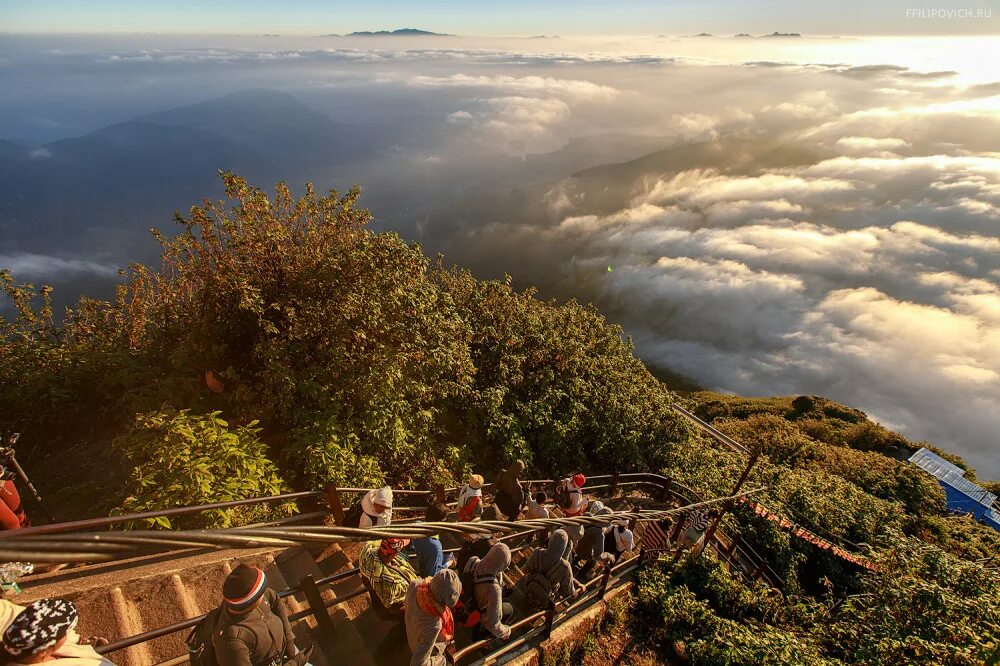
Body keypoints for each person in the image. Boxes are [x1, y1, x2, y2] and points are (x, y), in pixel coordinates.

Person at [214, 564, 309, 666]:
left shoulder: (254, 598)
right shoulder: (232, 643)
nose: (265, 593)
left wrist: (289, 639)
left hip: (286, 652)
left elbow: (276, 600)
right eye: (261, 592)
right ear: (250, 601)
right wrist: (295, 663)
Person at [0, 598, 112, 666]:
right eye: (65, 633)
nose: (67, 635)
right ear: (43, 651)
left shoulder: (17, 633)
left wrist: (78, 641)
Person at [405, 569, 461, 666]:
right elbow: (418, 663)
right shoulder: (433, 625)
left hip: (411, 634)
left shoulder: (415, 584)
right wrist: (442, 660)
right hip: (420, 648)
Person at [522, 530, 581, 609]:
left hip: (529, 587)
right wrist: (576, 593)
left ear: (550, 541)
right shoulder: (565, 566)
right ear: (563, 547)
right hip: (546, 595)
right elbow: (568, 589)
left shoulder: (537, 552)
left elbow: (525, 570)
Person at [466, 543, 513, 640]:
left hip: (464, 602)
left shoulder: (472, 560)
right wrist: (507, 631)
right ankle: (479, 639)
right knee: (508, 608)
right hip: (476, 616)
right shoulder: (494, 589)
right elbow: (494, 625)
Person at [359, 538, 418, 614]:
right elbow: (394, 607)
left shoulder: (368, 549)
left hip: (372, 586)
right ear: (396, 552)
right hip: (386, 608)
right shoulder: (392, 582)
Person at [412, 503, 456, 578]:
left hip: (421, 565)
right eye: (445, 519)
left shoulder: (417, 525)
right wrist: (448, 563)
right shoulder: (435, 546)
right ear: (440, 522)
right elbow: (434, 575)